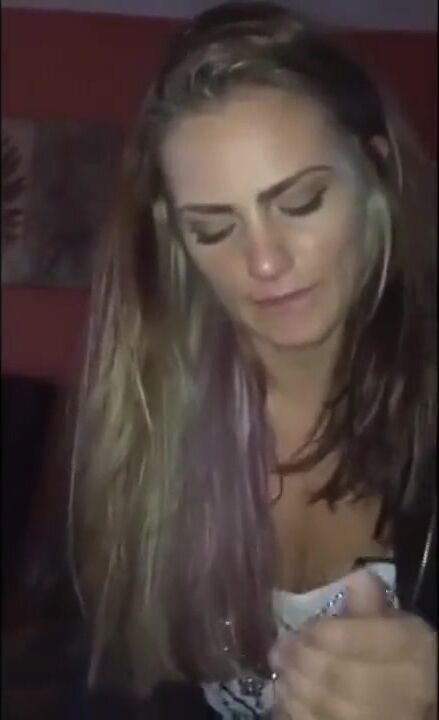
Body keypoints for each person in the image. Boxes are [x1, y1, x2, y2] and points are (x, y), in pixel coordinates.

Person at [70, 3, 437, 718]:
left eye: (301, 202)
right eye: (214, 228)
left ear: (377, 173)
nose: (264, 261)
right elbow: (106, 681)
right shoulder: (147, 417)